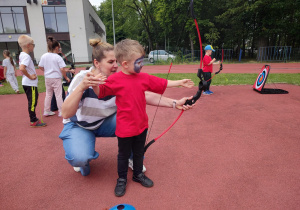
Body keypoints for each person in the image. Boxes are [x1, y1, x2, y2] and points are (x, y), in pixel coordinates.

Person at [59, 39, 194, 184]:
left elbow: (144, 94)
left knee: (136, 122)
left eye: (117, 61)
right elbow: (66, 113)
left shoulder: (120, 79)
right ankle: (82, 161)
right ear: (97, 63)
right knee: (80, 158)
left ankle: (132, 157)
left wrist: (174, 103)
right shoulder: (81, 79)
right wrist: (82, 87)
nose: (116, 66)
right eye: (111, 62)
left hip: (106, 122)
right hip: (81, 125)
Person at [18, 35, 46, 127]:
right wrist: (30, 76)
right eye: (33, 45)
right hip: (30, 84)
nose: (34, 46)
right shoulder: (26, 56)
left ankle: (33, 118)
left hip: (27, 83)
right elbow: (22, 68)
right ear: (29, 45)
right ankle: (33, 120)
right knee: (33, 102)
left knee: (32, 101)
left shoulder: (22, 55)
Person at [38, 36, 70, 117]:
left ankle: (46, 110)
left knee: (48, 94)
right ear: (56, 48)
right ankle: (61, 111)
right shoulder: (57, 57)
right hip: (56, 78)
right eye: (59, 48)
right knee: (58, 95)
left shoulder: (44, 56)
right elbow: (62, 69)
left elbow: (40, 66)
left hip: (47, 78)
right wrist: (66, 77)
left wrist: (46, 71)